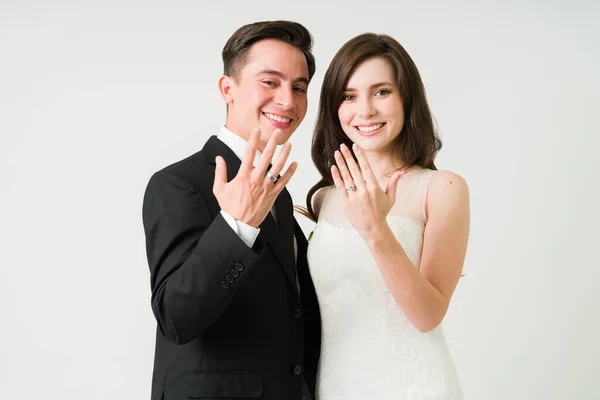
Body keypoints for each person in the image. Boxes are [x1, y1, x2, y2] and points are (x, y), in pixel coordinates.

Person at [142, 20, 321, 400]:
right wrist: (236, 225)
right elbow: (176, 317)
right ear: (228, 88)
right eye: (270, 82)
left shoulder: (280, 194)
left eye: (299, 87)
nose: (288, 100)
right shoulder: (178, 183)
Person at [304, 33, 470, 399]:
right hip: (335, 388)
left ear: (406, 98)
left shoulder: (442, 188)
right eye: (348, 96)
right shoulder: (325, 198)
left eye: (381, 92)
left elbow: (428, 316)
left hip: (416, 387)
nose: (364, 111)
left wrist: (375, 229)